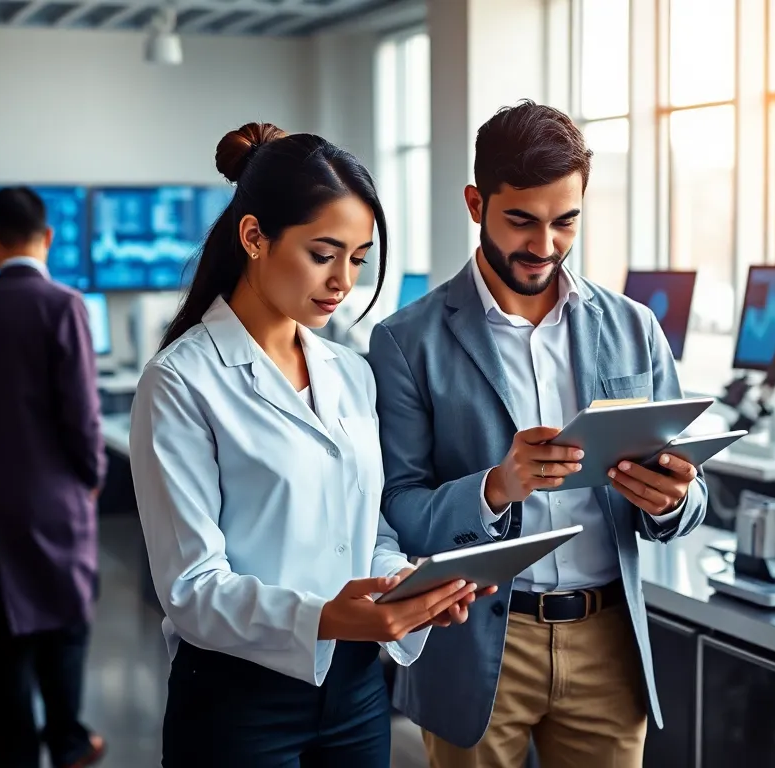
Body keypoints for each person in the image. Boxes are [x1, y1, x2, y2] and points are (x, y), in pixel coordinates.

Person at [128, 123, 488, 768]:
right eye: (324, 254)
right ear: (254, 238)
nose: (343, 280)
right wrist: (328, 616)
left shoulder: (349, 371)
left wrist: (401, 581)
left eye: (358, 258)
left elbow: (365, 522)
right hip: (238, 703)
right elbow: (191, 588)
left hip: (354, 694)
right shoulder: (181, 381)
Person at [367, 100, 710, 767]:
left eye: (565, 222)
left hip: (607, 638)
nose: (545, 246)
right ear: (476, 202)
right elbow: (396, 509)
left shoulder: (635, 328)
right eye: (521, 220)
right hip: (477, 637)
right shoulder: (408, 341)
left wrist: (671, 499)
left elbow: (692, 499)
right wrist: (496, 487)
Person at [0, 186, 108, 768]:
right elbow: (83, 416)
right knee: (63, 629)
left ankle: (12, 756)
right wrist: (89, 479)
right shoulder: (65, 306)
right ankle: (67, 742)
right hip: (55, 500)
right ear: (49, 238)